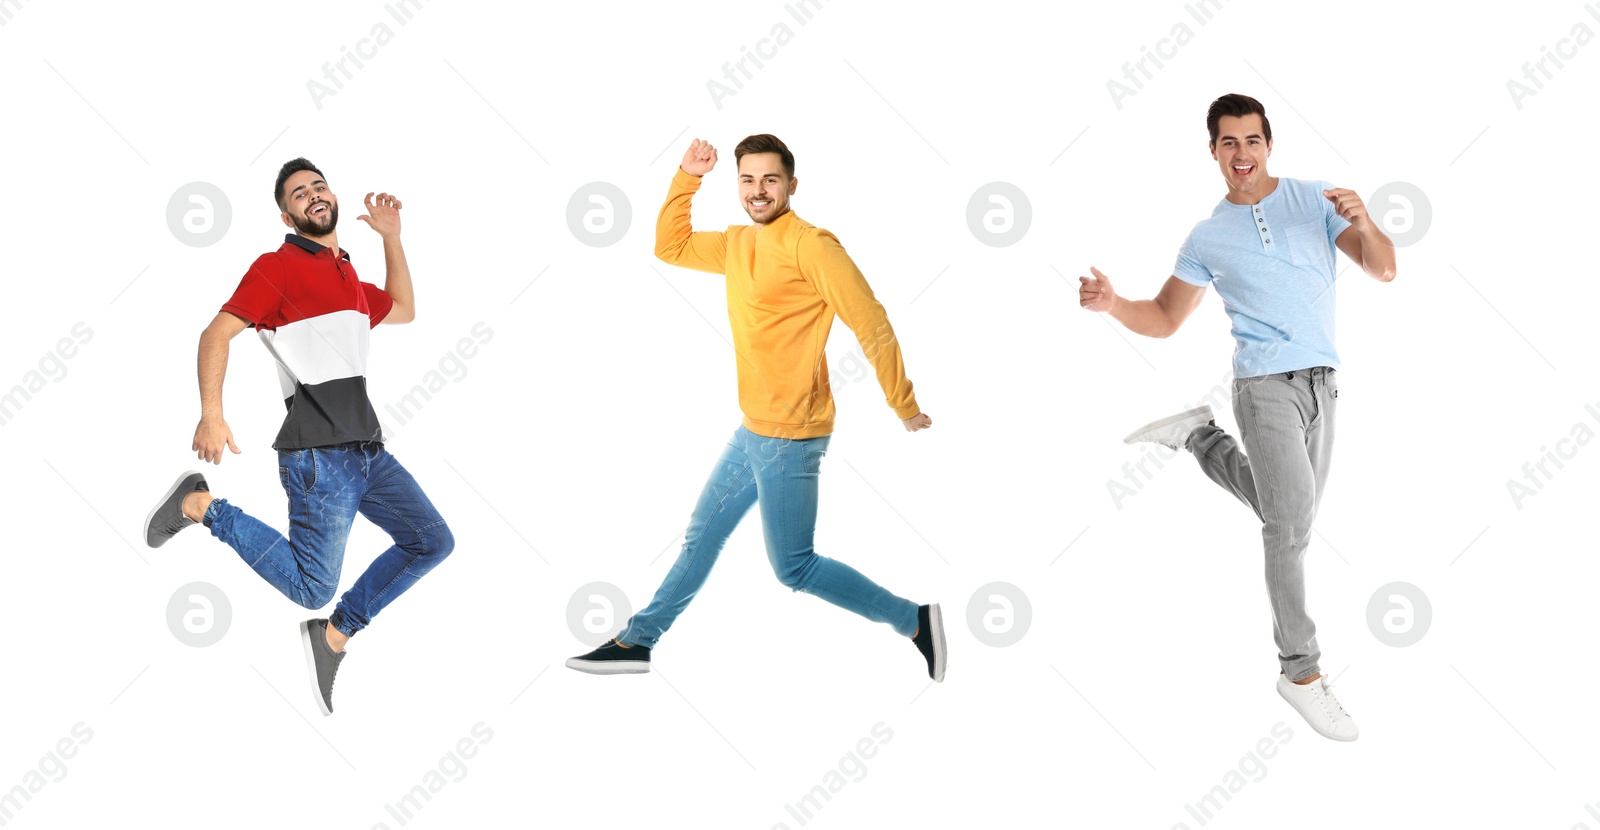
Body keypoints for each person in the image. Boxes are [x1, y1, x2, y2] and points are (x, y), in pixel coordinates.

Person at [566, 135, 946, 681]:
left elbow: (871, 321)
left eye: (770, 179)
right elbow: (668, 246)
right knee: (702, 533)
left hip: (792, 435)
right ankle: (637, 641)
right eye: (747, 180)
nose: (758, 190)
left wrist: (901, 403)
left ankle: (915, 621)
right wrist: (686, 177)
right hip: (753, 429)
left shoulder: (812, 245)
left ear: (792, 185)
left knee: (795, 567)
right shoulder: (738, 243)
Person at [1079, 94, 1396, 741]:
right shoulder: (1208, 237)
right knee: (1289, 530)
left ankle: (1198, 435)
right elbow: (1165, 318)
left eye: (1252, 141)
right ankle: (1300, 671)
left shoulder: (1315, 200)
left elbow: (1384, 268)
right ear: (1214, 152)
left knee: (1291, 515)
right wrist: (1114, 304)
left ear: (1268, 145)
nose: (1242, 154)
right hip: (1262, 388)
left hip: (1323, 383)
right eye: (1229, 143)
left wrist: (1365, 221)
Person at [143, 158, 453, 716]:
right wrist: (211, 413)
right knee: (312, 587)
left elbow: (404, 309)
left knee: (432, 540)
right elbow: (216, 332)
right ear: (286, 214)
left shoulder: (349, 279)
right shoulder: (276, 268)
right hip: (317, 456)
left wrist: (392, 239)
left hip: (368, 452)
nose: (313, 194)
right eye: (298, 193)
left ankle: (333, 636)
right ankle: (200, 505)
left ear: (332, 197)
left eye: (319, 185)